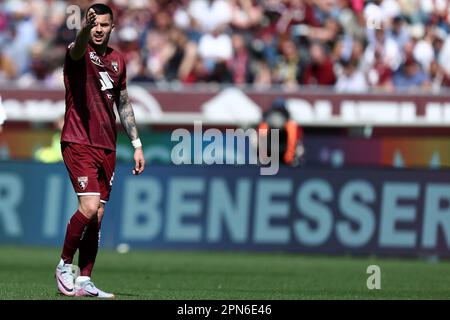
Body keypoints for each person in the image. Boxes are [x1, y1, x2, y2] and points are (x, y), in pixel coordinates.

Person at [55, 3, 145, 298]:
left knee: (98, 216)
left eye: (103, 25)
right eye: (93, 24)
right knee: (90, 207)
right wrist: (82, 28)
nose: (98, 29)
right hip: (79, 140)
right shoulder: (77, 52)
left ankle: (84, 280)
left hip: (107, 145)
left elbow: (123, 103)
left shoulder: (118, 60)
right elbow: (79, 45)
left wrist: (136, 144)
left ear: (111, 28)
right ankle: (63, 266)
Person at [257, 98, 304, 167]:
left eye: (280, 112)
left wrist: (289, 158)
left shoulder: (291, 124)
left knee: (299, 147)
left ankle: (295, 163)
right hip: (270, 151)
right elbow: (261, 142)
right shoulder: (265, 124)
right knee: (254, 138)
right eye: (276, 111)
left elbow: (293, 141)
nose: (278, 116)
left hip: (285, 151)